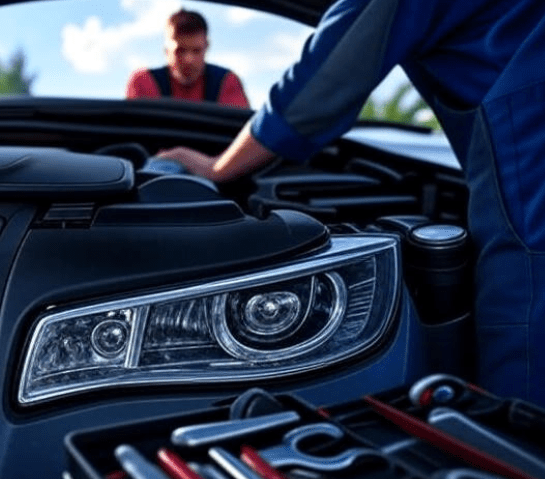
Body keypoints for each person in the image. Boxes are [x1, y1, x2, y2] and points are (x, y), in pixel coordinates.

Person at [158, 0, 545, 405]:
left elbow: (326, 77)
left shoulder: (226, 82)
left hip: (532, 148)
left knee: (527, 340)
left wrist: (218, 169)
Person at [126, 9, 250, 108]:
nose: (189, 59)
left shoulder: (227, 82)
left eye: (196, 50)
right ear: (166, 50)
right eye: (180, 50)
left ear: (206, 47)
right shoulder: (144, 82)